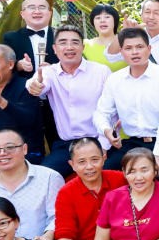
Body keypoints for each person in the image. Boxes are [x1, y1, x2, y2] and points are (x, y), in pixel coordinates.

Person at [25, 25, 112, 177]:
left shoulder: (101, 71)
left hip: (98, 140)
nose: (69, 47)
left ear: (83, 47)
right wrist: (34, 85)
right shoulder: (49, 72)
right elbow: (37, 83)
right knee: (44, 176)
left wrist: (104, 145)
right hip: (67, 145)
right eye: (63, 42)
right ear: (54, 48)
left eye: (75, 42)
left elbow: (112, 110)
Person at [93, 28, 159, 173]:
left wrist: (158, 154)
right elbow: (101, 113)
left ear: (149, 49)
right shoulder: (115, 79)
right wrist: (106, 130)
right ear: (121, 52)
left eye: (139, 47)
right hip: (132, 143)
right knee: (106, 172)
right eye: (128, 48)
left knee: (152, 173)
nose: (134, 52)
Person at [0, 45, 43, 163]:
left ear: (10, 64)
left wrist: (1, 102)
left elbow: (29, 120)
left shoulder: (27, 86)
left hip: (27, 155)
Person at [1, 0, 57, 74]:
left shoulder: (61, 37)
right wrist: (18, 65)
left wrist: (55, 69)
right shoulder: (11, 38)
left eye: (42, 7)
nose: (37, 11)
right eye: (31, 7)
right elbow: (4, 67)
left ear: (50, 13)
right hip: (24, 82)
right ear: (22, 14)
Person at [83, 4, 127, 71]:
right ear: (93, 22)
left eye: (107, 17)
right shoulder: (85, 44)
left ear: (115, 20)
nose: (102, 20)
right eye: (98, 18)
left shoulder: (127, 42)